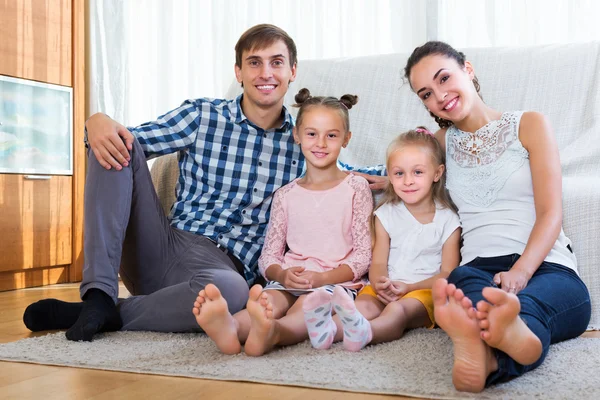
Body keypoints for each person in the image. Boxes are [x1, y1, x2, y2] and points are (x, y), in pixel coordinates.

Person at [22, 24, 386, 342]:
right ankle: (98, 296)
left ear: (292, 72)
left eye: (276, 62)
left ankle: (115, 313)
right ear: (238, 71)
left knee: (233, 291)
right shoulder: (202, 115)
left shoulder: (305, 140)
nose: (266, 73)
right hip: (165, 245)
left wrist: (423, 151)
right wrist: (96, 121)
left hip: (221, 272)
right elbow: (126, 141)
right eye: (254, 62)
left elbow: (357, 172)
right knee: (116, 145)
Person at [404, 41, 591, 392]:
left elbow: (551, 212)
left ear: (468, 69)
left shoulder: (530, 124)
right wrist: (369, 178)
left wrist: (521, 273)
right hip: (479, 268)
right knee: (461, 283)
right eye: (426, 93)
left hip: (546, 266)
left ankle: (495, 341)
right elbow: (406, 171)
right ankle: (494, 349)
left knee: (536, 304)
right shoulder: (439, 144)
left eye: (444, 78)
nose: (440, 96)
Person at [192, 88, 373, 356]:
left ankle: (274, 333)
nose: (320, 143)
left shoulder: (356, 187)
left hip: (335, 283)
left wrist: (323, 277)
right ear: (297, 135)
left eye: (331, 135)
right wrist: (281, 274)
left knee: (307, 307)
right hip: (290, 278)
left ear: (346, 139)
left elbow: (362, 256)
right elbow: (269, 257)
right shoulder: (286, 194)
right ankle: (230, 326)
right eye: (312, 134)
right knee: (269, 301)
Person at [303, 127, 461, 352]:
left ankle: (368, 333)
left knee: (397, 312)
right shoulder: (385, 214)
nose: (407, 181)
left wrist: (409, 287)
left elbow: (448, 274)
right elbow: (377, 262)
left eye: (418, 172)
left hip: (423, 292)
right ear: (389, 174)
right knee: (364, 305)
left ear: (437, 173)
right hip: (388, 286)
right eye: (399, 173)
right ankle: (328, 330)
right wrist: (380, 283)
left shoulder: (448, 220)